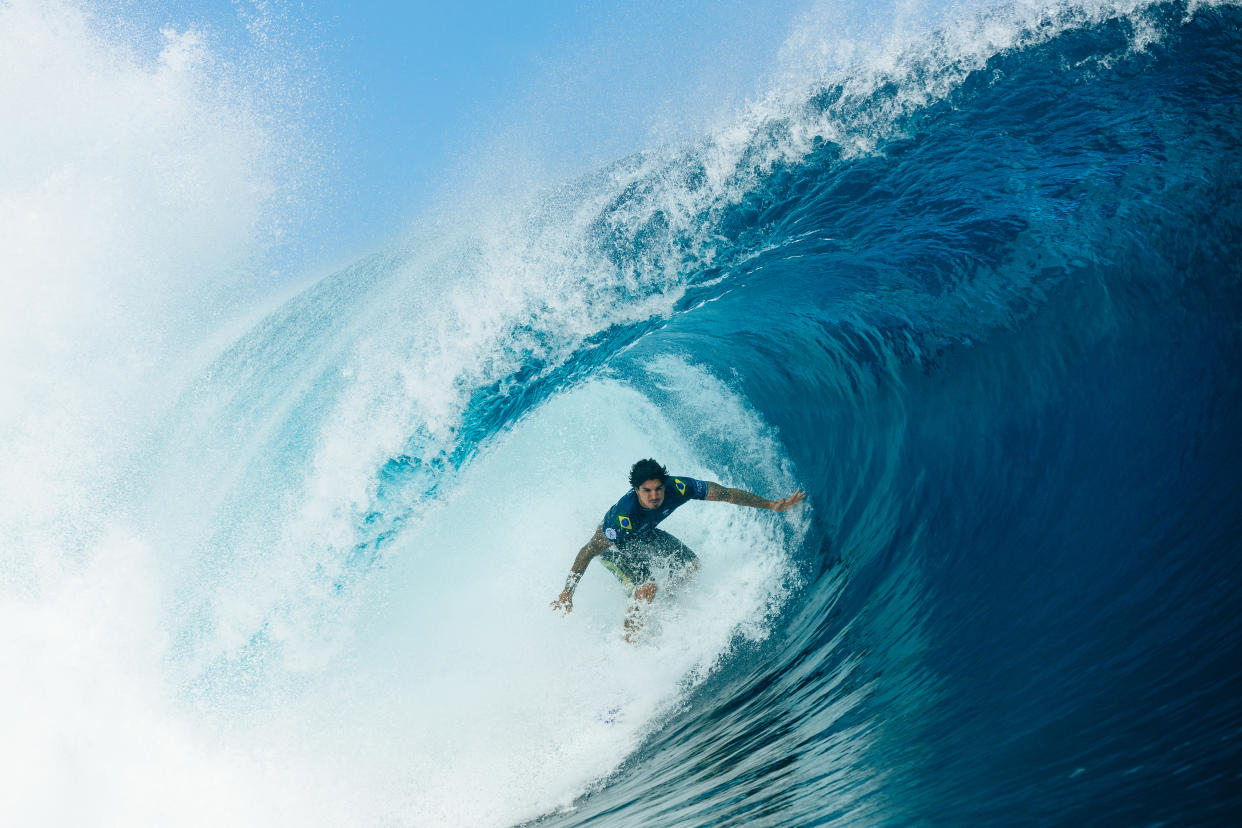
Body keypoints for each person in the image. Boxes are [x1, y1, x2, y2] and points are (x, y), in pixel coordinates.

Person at [550, 458, 806, 641]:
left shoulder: (679, 487)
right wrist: (567, 592)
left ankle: (665, 603)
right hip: (615, 550)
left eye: (658, 488)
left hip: (645, 535)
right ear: (636, 490)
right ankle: (627, 643)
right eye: (647, 491)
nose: (654, 496)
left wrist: (772, 505)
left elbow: (726, 494)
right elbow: (588, 551)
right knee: (647, 588)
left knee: (691, 566)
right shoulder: (622, 519)